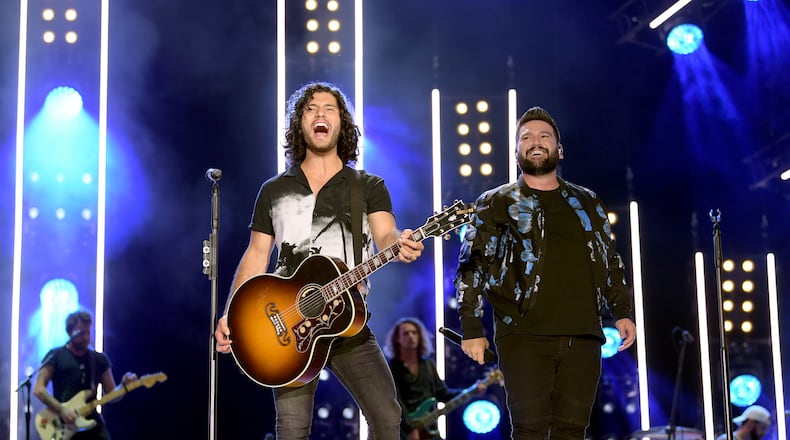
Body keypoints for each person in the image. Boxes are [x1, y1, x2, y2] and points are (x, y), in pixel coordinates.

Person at [213, 81, 424, 439]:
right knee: (292, 430)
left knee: (388, 418)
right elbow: (257, 254)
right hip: (286, 327)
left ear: (342, 123)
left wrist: (399, 242)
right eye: (311, 109)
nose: (320, 114)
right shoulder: (274, 189)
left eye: (329, 108)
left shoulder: (368, 186)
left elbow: (386, 234)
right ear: (300, 123)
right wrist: (230, 312)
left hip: (348, 322)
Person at [453, 106, 637, 439]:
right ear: (517, 151)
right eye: (526, 138)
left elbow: (609, 259)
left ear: (559, 149)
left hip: (582, 336)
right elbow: (472, 266)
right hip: (523, 334)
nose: (535, 142)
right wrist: (470, 327)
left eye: (544, 136)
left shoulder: (587, 202)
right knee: (529, 430)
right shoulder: (496, 202)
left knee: (573, 430)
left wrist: (622, 311)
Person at [33, 309, 138, 440]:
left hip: (93, 427)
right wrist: (62, 409)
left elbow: (112, 395)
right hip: (64, 425)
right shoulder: (55, 356)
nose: (86, 338)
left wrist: (123, 387)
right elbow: (38, 389)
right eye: (81, 333)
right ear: (70, 332)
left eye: (88, 332)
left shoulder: (99, 360)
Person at [384, 317, 484, 440]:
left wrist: (472, 391)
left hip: (429, 429)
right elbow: (394, 401)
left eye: (414, 332)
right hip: (405, 430)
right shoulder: (392, 367)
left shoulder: (428, 365)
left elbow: (443, 394)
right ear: (397, 339)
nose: (411, 336)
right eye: (406, 333)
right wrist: (410, 428)